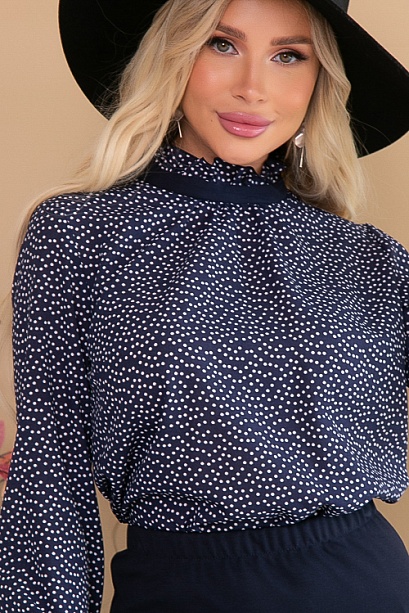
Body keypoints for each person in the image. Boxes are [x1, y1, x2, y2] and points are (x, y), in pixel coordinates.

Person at [1, 0, 409, 611]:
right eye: (221, 44)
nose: (253, 87)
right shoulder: (80, 234)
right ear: (171, 54)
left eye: (288, 56)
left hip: (363, 584)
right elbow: (51, 473)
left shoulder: (367, 256)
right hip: (180, 588)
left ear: (319, 81)